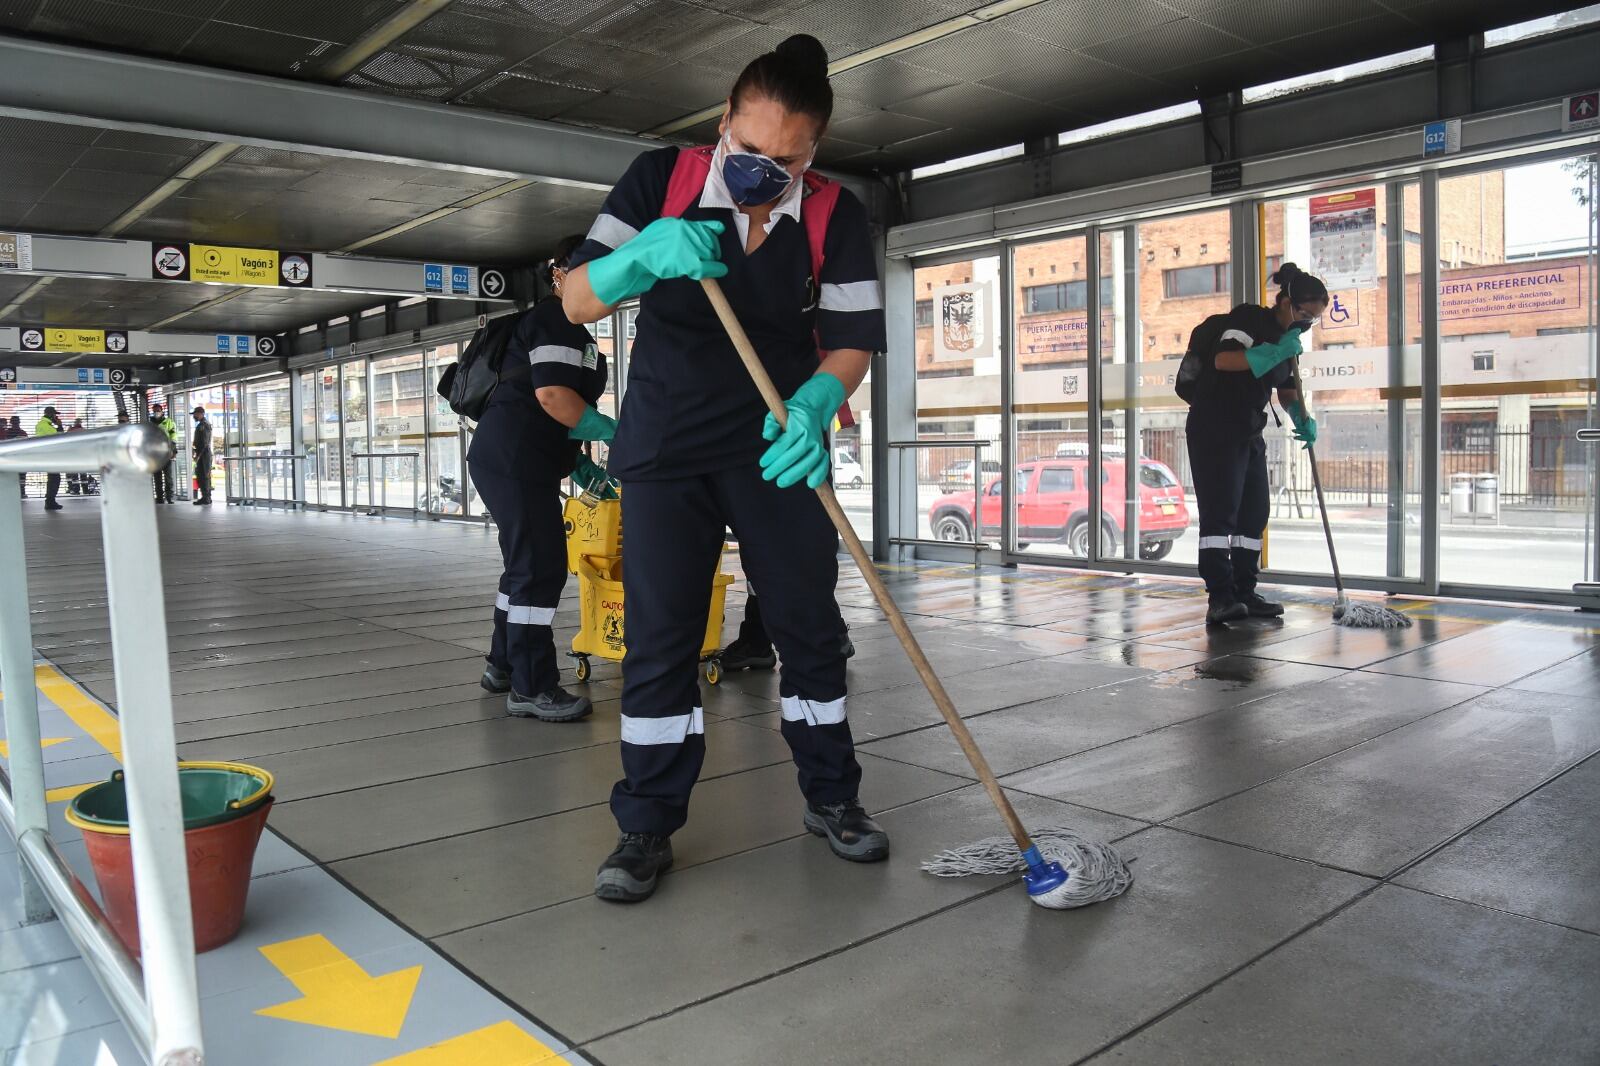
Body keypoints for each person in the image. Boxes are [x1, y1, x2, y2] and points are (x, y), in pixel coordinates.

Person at [564, 34, 888, 903]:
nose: (763, 172)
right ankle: (645, 824)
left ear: (814, 150)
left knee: (808, 627)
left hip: (777, 442)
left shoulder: (833, 212)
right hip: (666, 444)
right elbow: (577, 296)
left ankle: (833, 796)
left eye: (788, 160)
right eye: (748, 150)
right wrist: (641, 256)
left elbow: (853, 341)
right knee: (662, 636)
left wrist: (816, 406)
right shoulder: (661, 181)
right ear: (723, 125)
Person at [468, 234, 609, 722]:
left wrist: (579, 461)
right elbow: (552, 397)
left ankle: (503, 665)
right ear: (560, 275)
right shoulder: (554, 319)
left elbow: (556, 401)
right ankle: (532, 686)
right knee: (539, 567)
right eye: (589, 271)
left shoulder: (574, 330)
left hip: (520, 459)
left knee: (523, 566)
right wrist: (614, 430)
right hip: (516, 459)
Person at [1186, 262, 1324, 625]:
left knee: (1254, 513)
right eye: (1305, 314)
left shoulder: (1291, 343)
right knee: (1220, 514)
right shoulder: (1249, 319)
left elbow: (1288, 392)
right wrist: (1273, 352)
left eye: (1314, 319)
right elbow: (1224, 359)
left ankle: (1245, 591)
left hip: (1248, 431)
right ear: (1286, 303)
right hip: (1214, 428)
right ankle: (1220, 597)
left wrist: (1303, 419)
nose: (1307, 323)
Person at [34, 406, 64, 510]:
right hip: (50, 456)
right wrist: (59, 426)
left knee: (53, 478)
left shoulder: (43, 424)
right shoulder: (45, 425)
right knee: (54, 478)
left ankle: (50, 501)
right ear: (51, 415)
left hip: (48, 455)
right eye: (55, 415)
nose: (56, 417)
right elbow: (59, 438)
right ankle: (50, 501)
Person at [149, 402, 177, 503]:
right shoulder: (150, 424)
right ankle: (160, 497)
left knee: (168, 477)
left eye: (158, 410)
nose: (156, 412)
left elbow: (173, 437)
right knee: (157, 478)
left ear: (162, 411)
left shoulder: (169, 422)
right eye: (155, 411)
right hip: (155, 454)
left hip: (166, 453)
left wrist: (173, 450)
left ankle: (169, 497)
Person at [190, 406, 214, 505]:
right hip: (202, 453)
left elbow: (204, 443)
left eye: (195, 414)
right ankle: (206, 497)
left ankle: (206, 498)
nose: (194, 416)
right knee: (201, 475)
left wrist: (198, 456)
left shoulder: (204, 425)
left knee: (204, 476)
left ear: (201, 414)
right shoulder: (201, 424)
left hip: (204, 454)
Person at [5, 416, 25, 497]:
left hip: (14, 460)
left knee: (18, 478)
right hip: (18, 459)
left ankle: (20, 493)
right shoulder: (22, 433)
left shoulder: (7, 433)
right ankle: (21, 493)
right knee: (20, 478)